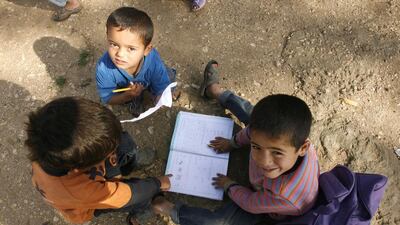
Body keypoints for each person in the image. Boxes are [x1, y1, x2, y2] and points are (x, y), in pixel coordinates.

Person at [152, 60, 320, 225]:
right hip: (262, 181)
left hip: (264, 203)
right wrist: (233, 143)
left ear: (303, 148)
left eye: (277, 152)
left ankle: (168, 208)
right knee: (254, 115)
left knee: (219, 222)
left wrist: (230, 186)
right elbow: (250, 130)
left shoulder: (287, 196)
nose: (263, 160)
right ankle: (215, 91)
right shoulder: (282, 141)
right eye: (256, 147)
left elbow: (252, 203)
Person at [25, 97, 171, 225]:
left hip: (89, 181)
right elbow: (129, 195)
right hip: (89, 204)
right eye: (108, 153)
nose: (112, 151)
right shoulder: (79, 191)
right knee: (140, 198)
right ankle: (143, 209)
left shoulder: (46, 146)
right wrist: (157, 183)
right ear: (81, 166)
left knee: (123, 142)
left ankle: (132, 162)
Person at [96, 7, 179, 117]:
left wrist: (161, 97)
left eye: (131, 48)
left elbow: (161, 81)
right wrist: (128, 95)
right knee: (136, 105)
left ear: (146, 50)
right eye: (114, 44)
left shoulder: (152, 59)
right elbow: (108, 98)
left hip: (151, 78)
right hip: (127, 91)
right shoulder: (104, 69)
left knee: (166, 78)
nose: (120, 54)